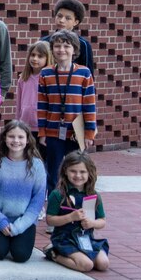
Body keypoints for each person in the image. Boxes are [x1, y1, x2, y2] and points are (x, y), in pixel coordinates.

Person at [37, 30, 97, 195]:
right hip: (53, 130)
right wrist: (42, 132)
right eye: (57, 46)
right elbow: (42, 106)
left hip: (75, 132)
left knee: (77, 168)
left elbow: (89, 105)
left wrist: (89, 133)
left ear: (74, 50)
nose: (61, 49)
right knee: (53, 170)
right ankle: (54, 204)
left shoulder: (84, 73)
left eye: (66, 46)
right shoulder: (46, 73)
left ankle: (77, 200)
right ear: (52, 49)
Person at [0, 121, 46, 261]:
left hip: (24, 221)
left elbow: (37, 200)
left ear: (28, 140)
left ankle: (18, 240)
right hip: (0, 220)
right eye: (11, 136)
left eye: (20, 137)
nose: (16, 141)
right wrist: (0, 222)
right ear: (4, 138)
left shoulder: (37, 165)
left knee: (20, 256)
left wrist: (19, 226)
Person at [43, 151, 109, 272]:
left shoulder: (94, 195)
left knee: (103, 264)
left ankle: (80, 255)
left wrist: (92, 223)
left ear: (90, 173)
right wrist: (70, 217)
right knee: (86, 265)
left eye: (82, 172)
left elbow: (102, 221)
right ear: (65, 171)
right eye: (73, 171)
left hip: (86, 239)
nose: (78, 175)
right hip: (65, 239)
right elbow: (50, 220)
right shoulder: (58, 194)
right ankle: (54, 254)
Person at [41, 0, 94, 73]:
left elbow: (88, 75)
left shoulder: (83, 44)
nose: (61, 20)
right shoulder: (44, 41)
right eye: (59, 16)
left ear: (76, 22)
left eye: (68, 18)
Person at [15, 41, 52, 148]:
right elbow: (18, 104)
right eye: (33, 55)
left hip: (41, 127)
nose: (35, 59)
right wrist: (17, 123)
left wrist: (45, 129)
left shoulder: (48, 78)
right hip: (25, 126)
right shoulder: (23, 78)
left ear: (47, 58)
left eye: (40, 56)